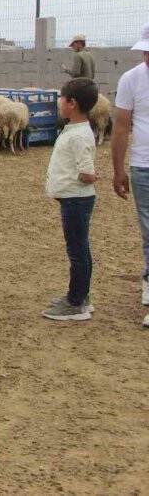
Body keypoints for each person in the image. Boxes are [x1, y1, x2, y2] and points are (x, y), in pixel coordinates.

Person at [42, 78, 99, 321]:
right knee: (80, 249)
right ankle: (81, 296)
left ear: (71, 103)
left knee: (77, 251)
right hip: (73, 199)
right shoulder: (75, 130)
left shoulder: (78, 135)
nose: (59, 102)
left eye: (61, 98)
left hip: (77, 200)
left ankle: (75, 303)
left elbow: (86, 172)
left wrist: (91, 176)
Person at [112, 22, 149, 328]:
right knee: (148, 231)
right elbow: (121, 127)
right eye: (146, 52)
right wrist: (118, 169)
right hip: (143, 166)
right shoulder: (131, 79)